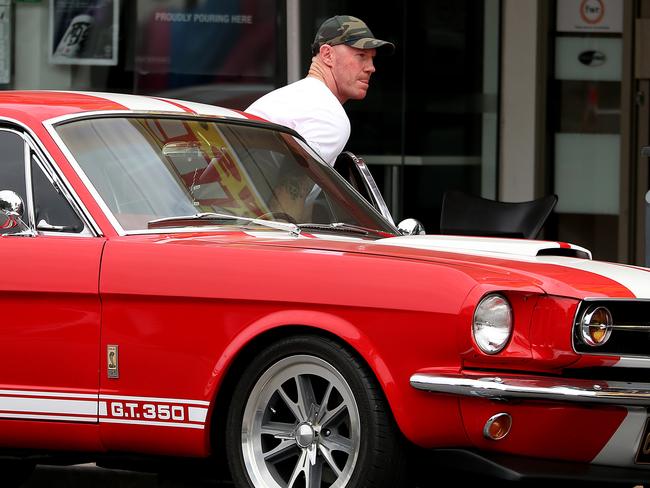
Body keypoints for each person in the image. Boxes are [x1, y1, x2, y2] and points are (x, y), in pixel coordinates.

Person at [246, 15, 394, 166]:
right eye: (361, 56)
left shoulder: (287, 97)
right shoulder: (328, 115)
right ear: (327, 55)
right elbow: (286, 188)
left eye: (372, 58)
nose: (371, 68)